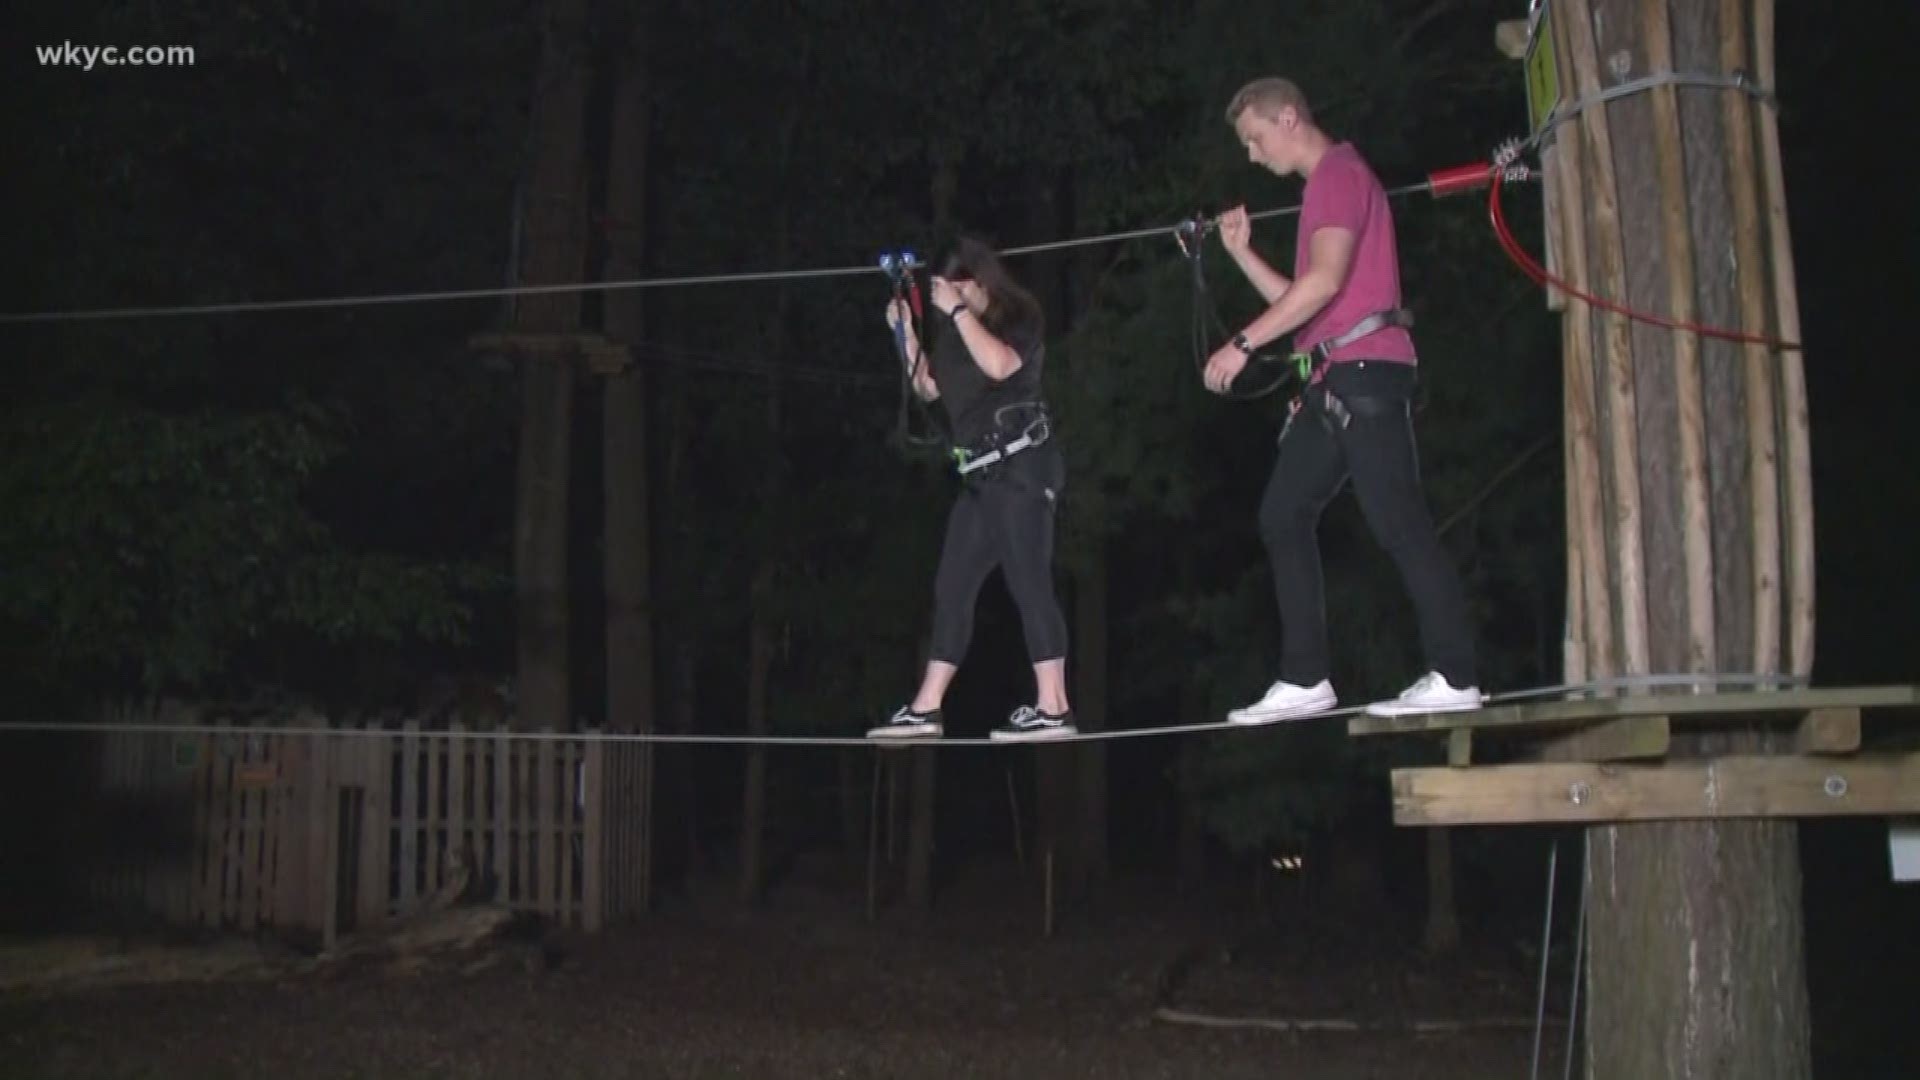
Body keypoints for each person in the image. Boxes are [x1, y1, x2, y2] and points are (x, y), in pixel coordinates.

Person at [1203, 77, 1483, 721]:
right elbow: (1310, 302)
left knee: (1397, 522)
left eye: (1255, 138)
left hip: (1367, 375)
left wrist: (1241, 344)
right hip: (1338, 378)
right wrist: (1243, 254)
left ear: (1290, 118)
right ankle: (1306, 678)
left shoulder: (1337, 174)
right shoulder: (1323, 188)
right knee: (1282, 513)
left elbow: (1323, 284)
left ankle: (1457, 673)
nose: (1252, 155)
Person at [866, 237, 1077, 743]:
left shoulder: (1019, 317)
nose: (949, 297)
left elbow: (1003, 365)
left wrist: (958, 310)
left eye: (959, 286)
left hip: (1023, 465)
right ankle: (927, 707)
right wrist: (905, 335)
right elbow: (929, 388)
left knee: (1028, 581)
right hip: (980, 478)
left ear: (981, 283)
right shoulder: (954, 335)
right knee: (952, 587)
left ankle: (1055, 706)